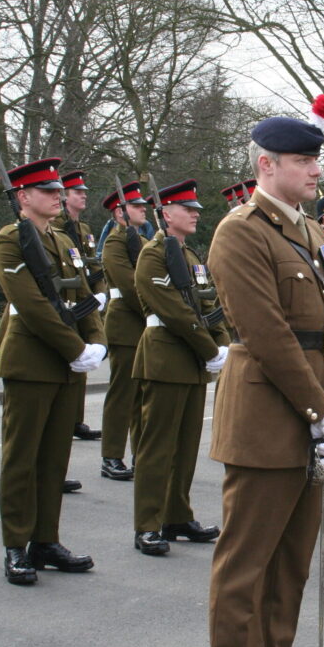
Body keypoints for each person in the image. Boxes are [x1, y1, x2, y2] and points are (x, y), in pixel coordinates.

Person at [207, 107, 324, 647]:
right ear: (267, 165)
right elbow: (265, 334)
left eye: (315, 160)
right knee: (245, 569)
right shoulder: (240, 232)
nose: (316, 171)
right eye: (304, 161)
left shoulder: (314, 233)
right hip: (271, 415)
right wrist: (323, 408)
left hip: (318, 409)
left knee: (292, 563)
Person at [0, 157, 106, 585]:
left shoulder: (63, 241)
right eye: (47, 191)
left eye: (59, 190)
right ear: (23, 197)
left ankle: (45, 539)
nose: (57, 196)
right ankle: (15, 545)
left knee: (54, 457)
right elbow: (31, 304)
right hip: (31, 361)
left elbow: (84, 296)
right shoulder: (9, 240)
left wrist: (96, 340)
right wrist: (75, 347)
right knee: (22, 458)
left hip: (67, 363)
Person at [130, 179, 227, 555]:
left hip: (191, 361)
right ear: (166, 214)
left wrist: (221, 343)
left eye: (196, 209)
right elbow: (171, 308)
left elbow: (207, 302)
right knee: (157, 447)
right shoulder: (153, 254)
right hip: (166, 357)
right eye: (188, 209)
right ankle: (147, 524)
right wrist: (208, 347)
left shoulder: (189, 256)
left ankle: (176, 515)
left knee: (185, 447)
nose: (195, 214)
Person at [99, 182, 150, 481]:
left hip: (143, 324)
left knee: (142, 395)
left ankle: (139, 452)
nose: (143, 209)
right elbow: (130, 285)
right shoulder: (115, 243)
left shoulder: (142, 242)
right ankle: (111, 455)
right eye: (136, 206)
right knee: (122, 394)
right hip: (125, 325)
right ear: (120, 212)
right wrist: (155, 306)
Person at [56, 170, 105, 450]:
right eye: (78, 192)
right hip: (67, 298)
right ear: (65, 197)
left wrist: (100, 291)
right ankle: (69, 418)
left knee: (82, 361)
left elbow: (93, 263)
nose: (84, 195)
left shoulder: (83, 229)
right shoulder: (60, 227)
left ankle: (76, 417)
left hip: (84, 296)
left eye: (84, 192)